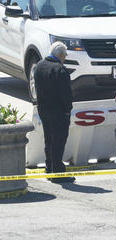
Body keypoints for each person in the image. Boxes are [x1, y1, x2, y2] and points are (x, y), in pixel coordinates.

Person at [34, 41, 75, 183]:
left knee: (48, 139)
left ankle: (49, 167)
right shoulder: (60, 70)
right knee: (58, 141)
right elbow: (66, 94)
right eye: (65, 56)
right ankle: (57, 172)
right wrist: (68, 110)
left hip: (43, 109)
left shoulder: (39, 66)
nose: (65, 59)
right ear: (61, 55)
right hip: (58, 112)